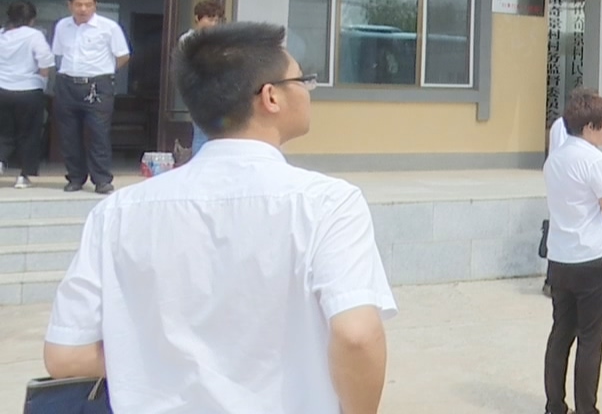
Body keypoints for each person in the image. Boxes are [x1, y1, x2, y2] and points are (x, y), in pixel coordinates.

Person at [44, 21, 395, 412]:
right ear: (271, 97)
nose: (308, 91)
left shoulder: (117, 213)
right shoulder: (328, 204)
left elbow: (65, 356)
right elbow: (357, 336)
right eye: (303, 80)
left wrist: (161, 361)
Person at [544, 90, 602, 414]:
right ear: (590, 127)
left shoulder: (555, 159)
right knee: (591, 340)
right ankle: (586, 409)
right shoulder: (594, 161)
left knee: (560, 335)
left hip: (560, 259)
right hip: (593, 261)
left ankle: (555, 405)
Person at [50, 0, 130, 194]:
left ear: (95, 6)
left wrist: (104, 72)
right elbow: (58, 53)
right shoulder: (62, 26)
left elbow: (123, 56)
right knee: (68, 134)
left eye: (88, 5)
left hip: (97, 85)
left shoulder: (108, 27)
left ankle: (101, 179)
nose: (83, 9)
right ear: (70, 5)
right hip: (67, 83)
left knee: (98, 133)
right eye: (78, 4)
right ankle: (75, 177)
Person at [0, 0, 54, 189]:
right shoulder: (34, 35)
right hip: (28, 91)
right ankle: (24, 176)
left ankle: (0, 161)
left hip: (2, 90)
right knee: (28, 134)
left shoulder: (1, 34)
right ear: (32, 19)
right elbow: (45, 63)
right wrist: (42, 81)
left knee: (3, 131)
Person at [177, 0, 225, 153]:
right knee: (201, 132)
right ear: (197, 18)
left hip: (218, 89)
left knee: (217, 134)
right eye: (210, 19)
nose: (214, 24)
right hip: (198, 89)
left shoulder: (220, 39)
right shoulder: (189, 39)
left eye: (217, 20)